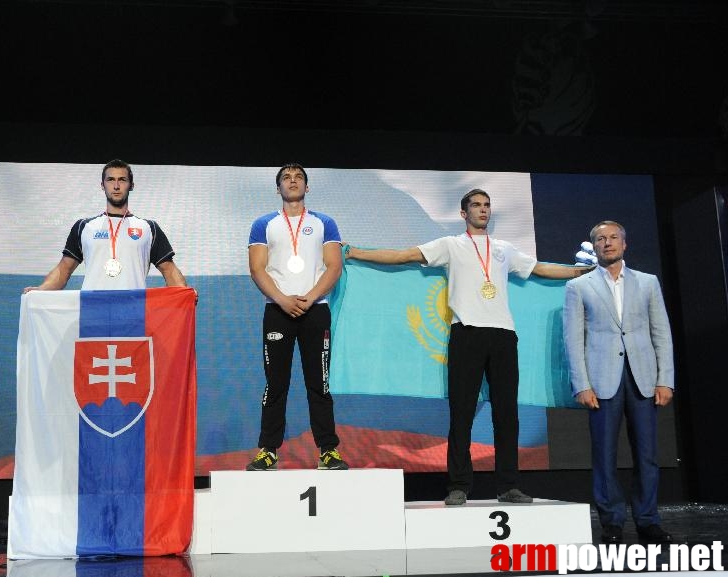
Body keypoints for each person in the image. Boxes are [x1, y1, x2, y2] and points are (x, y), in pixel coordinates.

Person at [346, 188, 591, 505]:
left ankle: (508, 486)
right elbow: (403, 255)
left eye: (487, 205)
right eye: (476, 205)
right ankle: (458, 485)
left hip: (502, 335)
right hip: (467, 334)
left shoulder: (505, 249)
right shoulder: (450, 246)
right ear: (464, 214)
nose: (483, 210)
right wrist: (356, 253)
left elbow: (543, 269)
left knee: (507, 416)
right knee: (460, 414)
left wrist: (584, 271)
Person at [563, 221, 674, 544]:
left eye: (613, 238)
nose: (607, 243)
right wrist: (581, 384)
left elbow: (661, 333)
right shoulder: (579, 288)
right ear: (594, 247)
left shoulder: (647, 282)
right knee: (604, 454)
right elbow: (573, 340)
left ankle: (647, 520)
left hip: (643, 378)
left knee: (647, 454)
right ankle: (611, 522)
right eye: (601, 239)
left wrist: (665, 379)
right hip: (601, 380)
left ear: (624, 244)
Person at [246, 163, 348, 471]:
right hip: (277, 311)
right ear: (278, 188)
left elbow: (334, 265)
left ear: (307, 187)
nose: (293, 181)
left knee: (320, 383)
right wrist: (281, 299)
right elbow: (257, 268)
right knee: (275, 383)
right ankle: (268, 450)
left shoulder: (324, 223)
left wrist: (310, 297)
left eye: (299, 177)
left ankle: (328, 450)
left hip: (315, 310)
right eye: (287, 178)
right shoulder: (263, 224)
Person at [23, 159, 187, 292]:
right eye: (110, 180)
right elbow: (64, 269)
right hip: (92, 312)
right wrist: (41, 290)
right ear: (102, 185)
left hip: (133, 313)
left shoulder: (149, 228)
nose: (116, 186)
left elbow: (169, 270)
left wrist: (185, 292)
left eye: (122, 180)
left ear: (131, 185)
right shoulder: (83, 227)